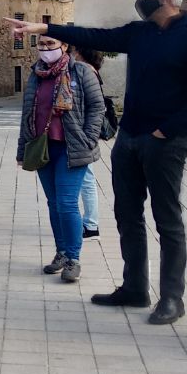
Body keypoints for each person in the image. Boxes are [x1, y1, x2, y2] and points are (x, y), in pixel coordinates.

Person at [5, 0, 187, 325]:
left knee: (167, 220)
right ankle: (135, 287)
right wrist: (46, 29)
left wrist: (167, 131)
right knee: (127, 215)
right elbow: (95, 35)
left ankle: (172, 298)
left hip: (166, 142)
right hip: (130, 138)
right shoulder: (141, 33)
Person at [16, 34, 105, 283]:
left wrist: (89, 138)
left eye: (50, 44)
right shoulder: (36, 74)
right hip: (43, 148)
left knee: (66, 203)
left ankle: (73, 259)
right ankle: (61, 252)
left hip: (72, 148)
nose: (45, 49)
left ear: (64, 46)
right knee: (53, 204)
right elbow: (27, 114)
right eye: (41, 44)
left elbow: (97, 107)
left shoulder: (81, 73)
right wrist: (22, 151)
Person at [72, 46, 107, 239]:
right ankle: (89, 223)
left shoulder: (86, 71)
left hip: (83, 134)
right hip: (83, 133)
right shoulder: (89, 70)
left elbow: (94, 106)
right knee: (86, 179)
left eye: (75, 51)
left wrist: (88, 136)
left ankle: (91, 225)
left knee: (86, 180)